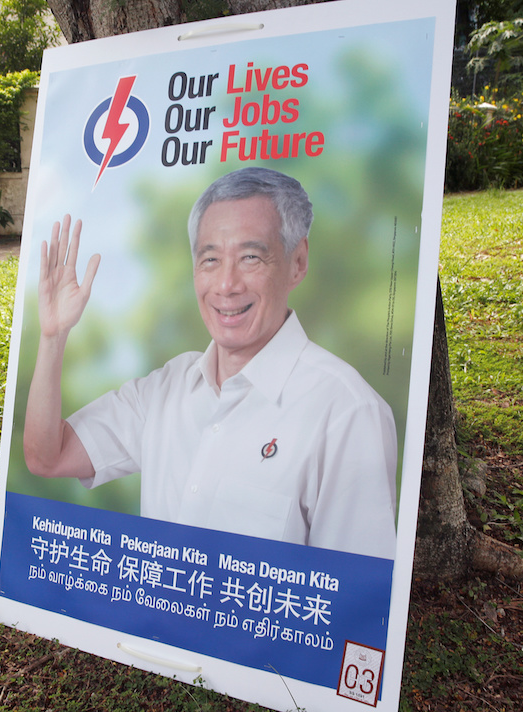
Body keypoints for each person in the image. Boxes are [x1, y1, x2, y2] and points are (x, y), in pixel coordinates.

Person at [23, 167, 398, 559]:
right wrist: (53, 337)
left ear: (298, 261)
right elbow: (48, 456)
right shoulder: (165, 389)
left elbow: (350, 600)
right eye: (210, 260)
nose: (226, 285)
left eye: (251, 257)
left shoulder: (349, 413)